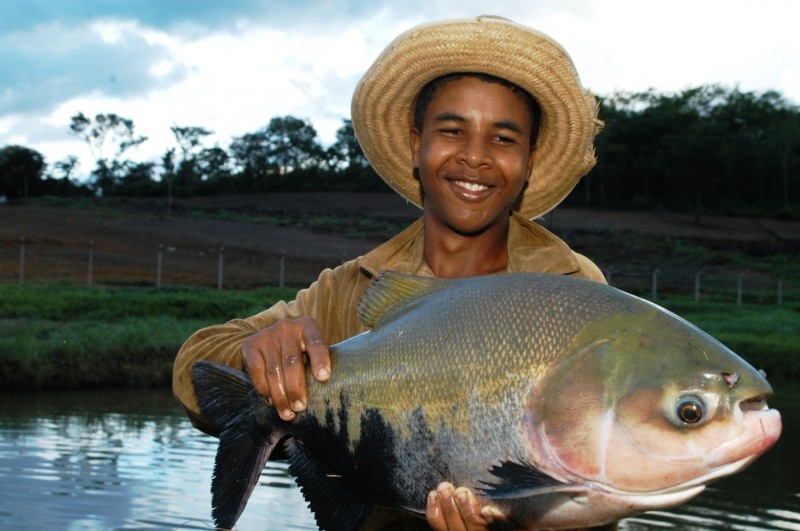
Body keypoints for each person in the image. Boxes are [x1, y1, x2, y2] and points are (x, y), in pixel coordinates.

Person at [173, 15, 615, 531]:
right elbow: (193, 372)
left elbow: (604, 483)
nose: (475, 157)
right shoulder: (349, 288)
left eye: (503, 138)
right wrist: (259, 355)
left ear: (530, 159)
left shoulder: (575, 291)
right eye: (452, 131)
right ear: (415, 143)